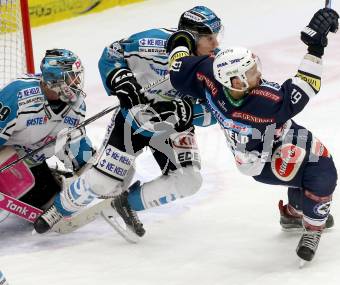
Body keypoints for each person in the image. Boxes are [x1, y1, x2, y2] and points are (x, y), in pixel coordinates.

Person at [163, 8, 339, 262]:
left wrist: (182, 39)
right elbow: (305, 85)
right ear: (237, 83)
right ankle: (311, 226)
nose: (259, 74)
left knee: (300, 166)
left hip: (249, 157)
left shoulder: (207, 75)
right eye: (252, 72)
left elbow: (178, 66)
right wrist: (315, 47)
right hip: (270, 148)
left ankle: (295, 211)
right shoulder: (265, 103)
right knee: (322, 169)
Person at [33, 6, 222, 235]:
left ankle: (126, 204)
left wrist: (188, 112)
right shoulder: (151, 43)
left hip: (173, 131)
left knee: (189, 180)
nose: (216, 44)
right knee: (103, 183)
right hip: (132, 121)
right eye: (209, 38)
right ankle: (58, 210)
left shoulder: (215, 66)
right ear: (191, 36)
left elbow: (220, 109)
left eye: (216, 36)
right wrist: (120, 79)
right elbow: (111, 54)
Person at [0, 49, 94, 221]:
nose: (78, 81)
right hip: (5, 157)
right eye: (72, 76)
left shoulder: (76, 105)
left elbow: (75, 145)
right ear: (54, 80)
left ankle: (52, 177)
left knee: (50, 202)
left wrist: (95, 172)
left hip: (29, 163)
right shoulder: (18, 95)